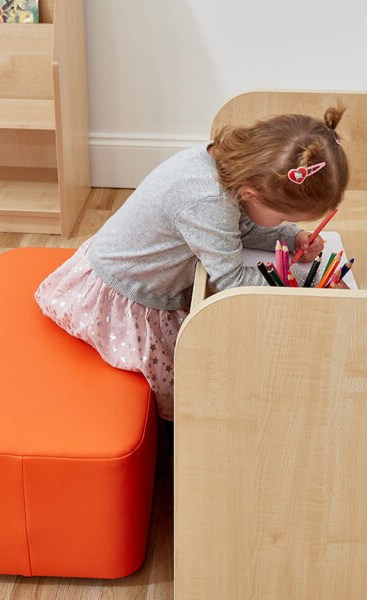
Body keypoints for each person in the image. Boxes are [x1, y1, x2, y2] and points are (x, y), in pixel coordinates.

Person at [35, 107, 349, 463]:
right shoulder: (207, 200)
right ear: (252, 192)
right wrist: (312, 283)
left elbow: (241, 226)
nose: (283, 222)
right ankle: (179, 455)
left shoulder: (227, 166)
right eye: (284, 216)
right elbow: (231, 282)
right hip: (127, 295)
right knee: (188, 381)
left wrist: (291, 237)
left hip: (140, 275)